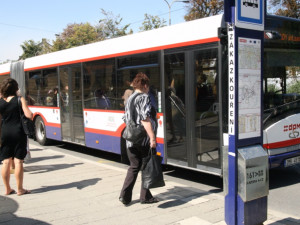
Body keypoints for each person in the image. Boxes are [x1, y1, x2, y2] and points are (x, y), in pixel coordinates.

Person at [119, 72, 158, 205]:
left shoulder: (130, 97)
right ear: (145, 85)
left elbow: (126, 118)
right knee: (146, 167)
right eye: (148, 85)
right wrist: (152, 138)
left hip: (130, 139)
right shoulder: (144, 97)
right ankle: (145, 197)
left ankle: (124, 195)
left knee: (134, 166)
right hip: (143, 140)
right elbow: (144, 119)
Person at [0, 78, 33, 196]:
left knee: (5, 162)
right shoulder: (20, 99)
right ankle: (20, 189)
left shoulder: (0, 102)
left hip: (5, 132)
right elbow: (29, 115)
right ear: (15, 88)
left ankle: (7, 189)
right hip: (18, 132)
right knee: (18, 161)